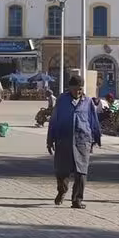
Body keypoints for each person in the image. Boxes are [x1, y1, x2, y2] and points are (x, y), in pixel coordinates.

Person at [46, 74, 101, 209]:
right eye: (76, 89)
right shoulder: (61, 101)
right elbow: (53, 121)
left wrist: (96, 138)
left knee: (81, 172)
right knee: (62, 171)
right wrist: (50, 139)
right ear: (70, 88)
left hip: (83, 140)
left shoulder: (88, 102)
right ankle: (62, 190)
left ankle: (77, 200)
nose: (78, 91)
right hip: (63, 139)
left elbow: (93, 121)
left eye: (81, 89)